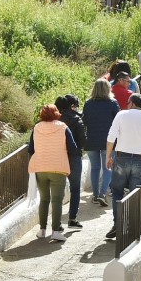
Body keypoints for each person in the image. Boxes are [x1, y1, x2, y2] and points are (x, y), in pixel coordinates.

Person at [104, 93, 141, 239]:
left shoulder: (122, 115)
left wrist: (108, 157)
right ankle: (133, 227)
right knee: (135, 193)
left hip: (122, 158)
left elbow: (111, 137)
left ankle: (118, 224)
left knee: (117, 192)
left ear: (131, 103)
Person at [27, 105, 80, 242]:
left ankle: (42, 230)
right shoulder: (63, 127)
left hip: (40, 167)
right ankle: (56, 231)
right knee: (57, 200)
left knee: (44, 199)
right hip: (58, 167)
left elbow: (31, 149)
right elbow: (73, 148)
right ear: (56, 113)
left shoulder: (36, 128)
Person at [82, 79, 119, 206]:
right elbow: (118, 121)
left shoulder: (88, 103)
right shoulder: (112, 103)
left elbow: (84, 122)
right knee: (107, 167)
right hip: (108, 141)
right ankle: (103, 194)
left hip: (91, 139)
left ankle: (95, 195)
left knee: (95, 168)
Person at [56, 95, 86, 229]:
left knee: (58, 190)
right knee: (75, 189)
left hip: (59, 156)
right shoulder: (77, 119)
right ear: (71, 106)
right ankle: (72, 219)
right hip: (74, 157)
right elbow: (82, 141)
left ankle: (56, 222)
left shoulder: (55, 120)